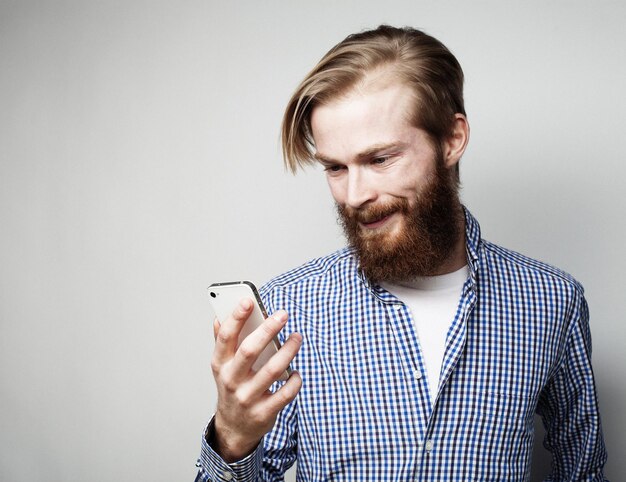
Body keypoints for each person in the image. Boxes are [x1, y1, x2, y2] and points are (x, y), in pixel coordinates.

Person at [195, 25, 607, 481]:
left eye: (379, 159)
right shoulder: (290, 308)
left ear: (451, 140)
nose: (354, 195)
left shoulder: (552, 300)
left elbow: (583, 470)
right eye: (335, 167)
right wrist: (232, 440)